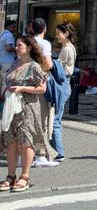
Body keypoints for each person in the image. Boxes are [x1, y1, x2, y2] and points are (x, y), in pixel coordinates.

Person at [0, 35, 51, 191]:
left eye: (19, 45)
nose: (16, 48)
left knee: (26, 141)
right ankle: (10, 176)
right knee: (11, 142)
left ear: (29, 48)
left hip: (27, 108)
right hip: (10, 109)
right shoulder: (15, 64)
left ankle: (25, 176)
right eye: (16, 45)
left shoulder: (34, 66)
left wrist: (22, 88)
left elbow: (42, 89)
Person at [27, 18, 56, 168]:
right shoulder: (45, 44)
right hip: (41, 84)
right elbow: (49, 64)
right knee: (43, 121)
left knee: (28, 120)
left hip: (27, 85)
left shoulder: (27, 41)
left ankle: (26, 154)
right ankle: (40, 155)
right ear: (44, 29)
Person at [49, 23, 77, 162]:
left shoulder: (67, 49)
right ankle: (54, 150)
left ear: (66, 34)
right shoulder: (67, 48)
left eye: (58, 33)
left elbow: (57, 67)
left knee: (55, 120)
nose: (56, 36)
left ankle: (58, 152)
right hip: (64, 83)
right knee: (55, 118)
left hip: (63, 83)